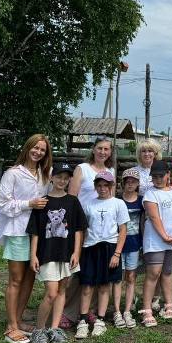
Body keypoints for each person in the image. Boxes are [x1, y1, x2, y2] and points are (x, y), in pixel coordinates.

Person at [0, 133, 52, 343]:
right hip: (18, 230)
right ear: (28, 148)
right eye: (35, 148)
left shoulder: (45, 174)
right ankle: (11, 326)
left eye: (42, 150)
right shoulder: (13, 174)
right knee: (16, 279)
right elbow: (3, 204)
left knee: (30, 278)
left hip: (36, 233)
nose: (38, 152)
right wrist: (28, 204)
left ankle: (18, 319)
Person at [26, 163, 87, 343]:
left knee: (62, 290)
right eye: (59, 177)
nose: (62, 181)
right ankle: (39, 330)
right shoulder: (43, 202)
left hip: (67, 253)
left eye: (66, 178)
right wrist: (33, 255)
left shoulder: (72, 201)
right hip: (47, 253)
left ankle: (54, 328)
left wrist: (77, 252)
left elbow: (78, 229)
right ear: (52, 178)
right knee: (51, 293)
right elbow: (35, 232)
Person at [63, 136, 115, 329]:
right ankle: (68, 311)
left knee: (97, 271)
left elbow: (111, 200)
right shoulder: (82, 169)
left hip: (102, 230)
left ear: (110, 152)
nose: (103, 152)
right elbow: (72, 198)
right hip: (82, 227)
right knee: (77, 271)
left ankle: (89, 310)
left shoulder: (110, 171)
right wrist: (71, 225)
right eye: (100, 148)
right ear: (93, 149)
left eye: (106, 149)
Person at [76, 172, 128, 339]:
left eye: (106, 185)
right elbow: (83, 229)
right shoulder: (88, 204)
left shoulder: (118, 204)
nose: (102, 188)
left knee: (105, 285)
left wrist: (117, 254)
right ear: (95, 186)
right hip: (90, 247)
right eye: (99, 185)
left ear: (112, 186)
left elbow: (123, 230)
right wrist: (78, 251)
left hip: (109, 247)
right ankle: (83, 320)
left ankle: (100, 320)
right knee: (87, 285)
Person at [141, 160, 172, 325]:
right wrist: (164, 235)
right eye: (154, 176)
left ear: (168, 175)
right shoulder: (150, 194)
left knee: (167, 271)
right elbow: (154, 217)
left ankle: (168, 304)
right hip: (156, 239)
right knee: (154, 272)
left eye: (161, 176)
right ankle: (147, 309)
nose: (158, 179)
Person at [111, 168, 144, 329]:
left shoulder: (142, 201)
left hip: (134, 244)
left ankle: (127, 310)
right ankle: (117, 311)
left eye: (133, 181)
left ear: (138, 184)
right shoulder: (116, 201)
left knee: (131, 277)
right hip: (118, 244)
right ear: (122, 183)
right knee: (118, 277)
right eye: (127, 181)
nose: (130, 184)